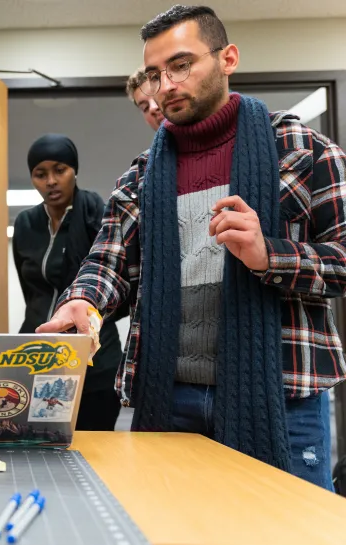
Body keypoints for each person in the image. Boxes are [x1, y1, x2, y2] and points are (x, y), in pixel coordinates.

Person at [38, 5, 346, 491]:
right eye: (156, 74)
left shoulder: (303, 149)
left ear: (228, 58)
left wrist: (271, 255)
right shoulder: (142, 174)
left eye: (181, 65)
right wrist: (82, 299)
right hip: (169, 397)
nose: (167, 85)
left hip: (282, 397)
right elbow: (108, 262)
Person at [13, 134, 124, 430]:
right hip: (40, 350)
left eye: (59, 170)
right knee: (39, 440)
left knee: (95, 444)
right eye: (40, 174)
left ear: (74, 170)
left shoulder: (97, 215)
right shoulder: (25, 224)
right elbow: (32, 292)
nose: (50, 181)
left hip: (94, 355)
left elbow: (112, 278)